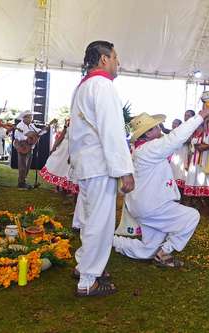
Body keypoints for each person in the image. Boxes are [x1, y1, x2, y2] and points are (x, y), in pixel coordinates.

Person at [69, 40, 134, 297]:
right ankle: (88, 280)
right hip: (99, 164)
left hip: (87, 163)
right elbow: (112, 131)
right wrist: (124, 170)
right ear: (104, 59)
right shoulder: (103, 85)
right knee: (100, 222)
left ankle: (84, 265)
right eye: (116, 58)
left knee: (88, 219)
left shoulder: (83, 86)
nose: (119, 63)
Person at [113, 106, 209, 267]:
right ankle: (165, 252)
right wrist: (201, 116)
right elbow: (174, 138)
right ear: (147, 134)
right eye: (156, 127)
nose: (160, 129)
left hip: (144, 205)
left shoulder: (143, 148)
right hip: (153, 205)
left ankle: (111, 241)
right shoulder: (150, 148)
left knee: (148, 249)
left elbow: (172, 141)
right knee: (191, 217)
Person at [183, 115, 209, 215]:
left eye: (208, 120)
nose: (205, 121)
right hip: (194, 162)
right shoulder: (195, 131)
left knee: (206, 183)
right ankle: (200, 206)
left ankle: (207, 208)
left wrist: (206, 147)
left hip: (206, 160)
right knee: (193, 184)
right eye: (205, 119)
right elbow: (191, 148)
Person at [39, 119, 78, 195]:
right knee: (59, 166)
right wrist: (54, 147)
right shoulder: (68, 124)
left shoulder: (80, 125)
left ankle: (67, 188)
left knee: (68, 168)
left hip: (73, 148)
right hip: (63, 149)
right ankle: (59, 186)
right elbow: (61, 137)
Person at [13, 110, 49, 189]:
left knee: (27, 165)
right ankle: (21, 183)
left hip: (29, 147)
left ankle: (23, 181)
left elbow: (38, 132)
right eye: (29, 117)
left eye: (31, 117)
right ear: (24, 118)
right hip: (23, 147)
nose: (31, 118)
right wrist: (29, 138)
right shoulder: (20, 125)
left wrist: (45, 129)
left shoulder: (31, 125)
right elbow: (18, 136)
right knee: (23, 165)